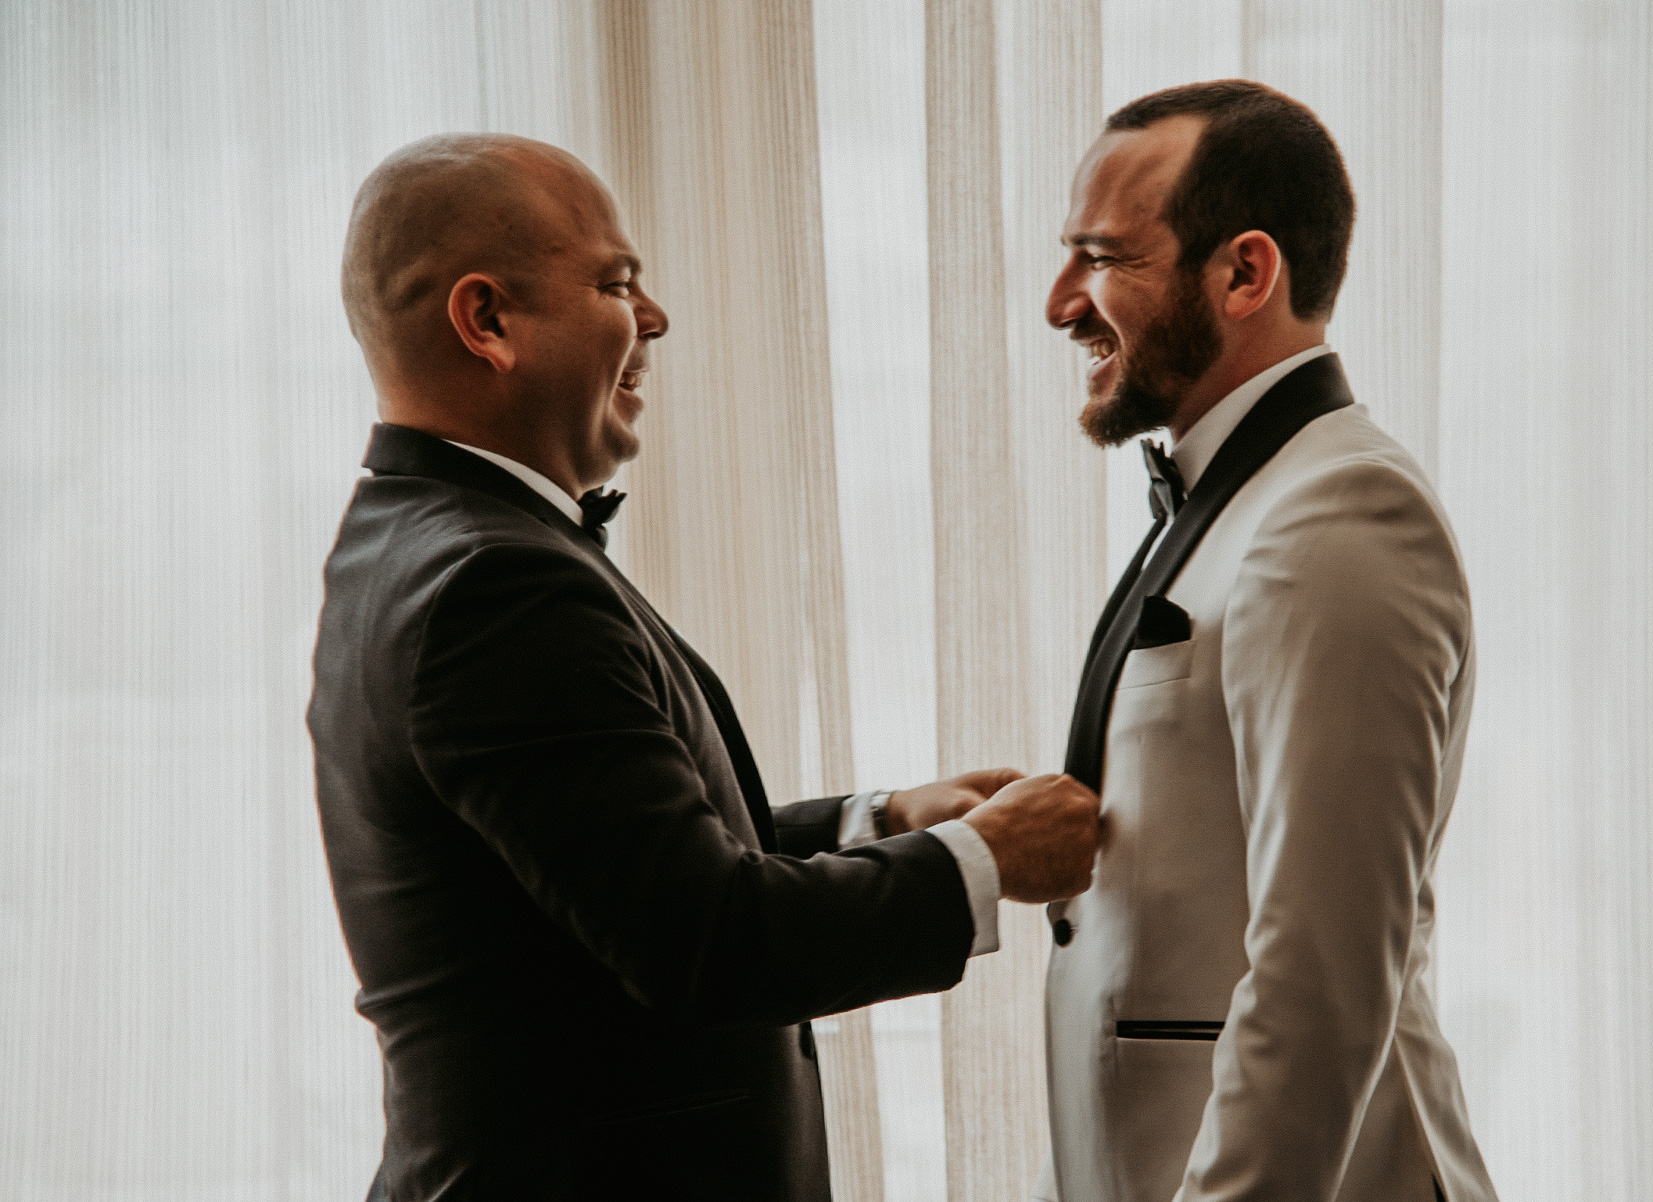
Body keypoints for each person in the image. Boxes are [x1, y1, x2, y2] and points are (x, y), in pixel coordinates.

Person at [306, 132, 1100, 1202]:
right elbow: (710, 943)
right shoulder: (496, 587)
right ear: (487, 321)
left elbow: (617, 873)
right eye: (615, 280)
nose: (655, 317)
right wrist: (982, 856)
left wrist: (884, 818)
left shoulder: (418, 540)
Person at [1037, 81, 1499, 1202]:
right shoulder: (1234, 500)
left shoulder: (1337, 514)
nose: (1060, 303)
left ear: (1246, 273)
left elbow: (1320, 976)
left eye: (1102, 257)